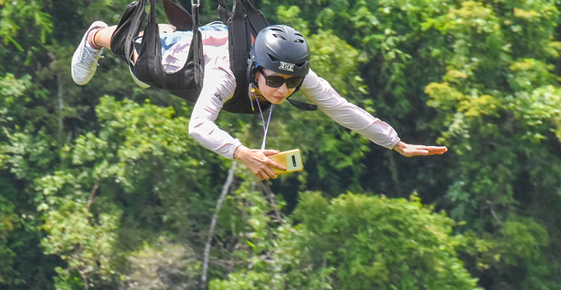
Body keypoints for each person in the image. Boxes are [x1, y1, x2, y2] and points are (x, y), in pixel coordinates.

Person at [71, 20, 447, 180]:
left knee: (161, 59)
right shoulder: (226, 75)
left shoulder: (298, 78)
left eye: (291, 83)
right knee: (142, 67)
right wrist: (241, 152)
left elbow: (342, 109)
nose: (282, 90)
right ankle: (96, 36)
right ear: (256, 71)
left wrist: (395, 142)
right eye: (274, 81)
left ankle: (170, 30)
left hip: (212, 36)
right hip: (183, 56)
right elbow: (198, 125)